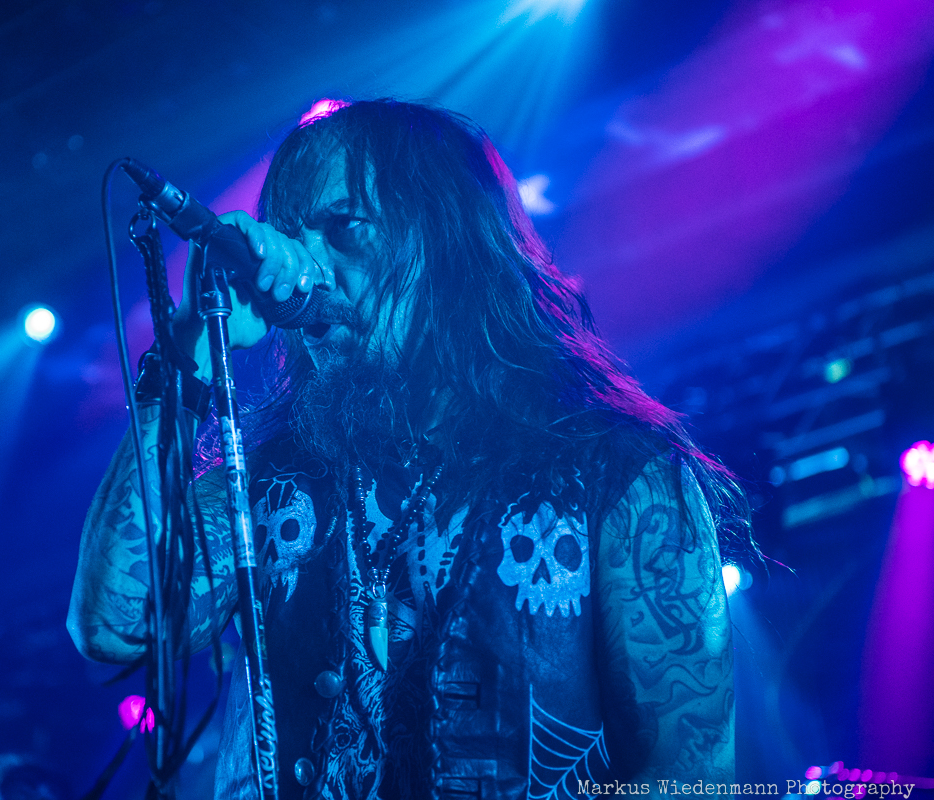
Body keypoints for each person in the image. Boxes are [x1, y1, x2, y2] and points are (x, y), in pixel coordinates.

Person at [68, 99, 750, 799]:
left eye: (344, 228)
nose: (305, 272)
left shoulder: (621, 474)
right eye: (292, 238)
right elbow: (115, 624)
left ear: (448, 242)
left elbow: (688, 777)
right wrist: (188, 346)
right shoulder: (272, 482)